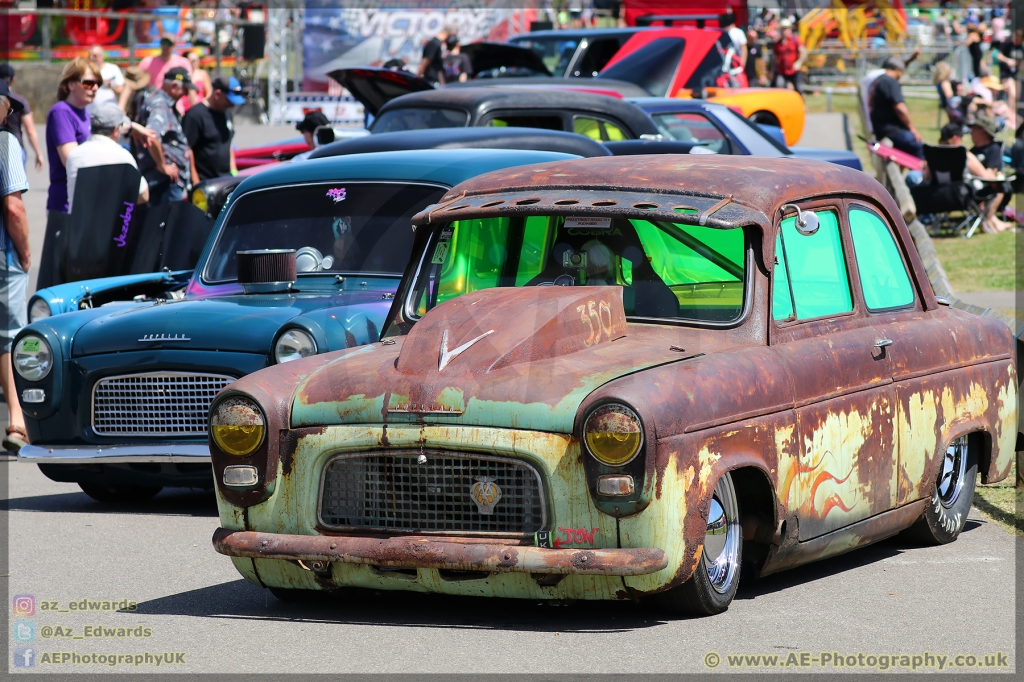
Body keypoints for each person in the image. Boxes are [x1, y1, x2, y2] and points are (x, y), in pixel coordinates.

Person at [0, 81, 30, 452]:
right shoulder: (6, 142)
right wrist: (24, 253)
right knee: (10, 337)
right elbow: (14, 207)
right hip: (2, 254)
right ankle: (17, 421)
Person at [66, 102, 149, 214]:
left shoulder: (74, 155)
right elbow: (143, 195)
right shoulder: (123, 156)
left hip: (76, 226)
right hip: (109, 227)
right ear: (115, 130)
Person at [45, 57, 97, 216]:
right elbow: (71, 159)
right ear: (71, 85)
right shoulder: (61, 112)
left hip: (84, 198)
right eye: (88, 83)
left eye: (98, 84)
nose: (94, 88)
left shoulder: (85, 113)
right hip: (66, 203)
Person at [135, 66, 194, 205]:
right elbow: (152, 136)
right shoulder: (160, 105)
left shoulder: (163, 103)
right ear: (174, 86)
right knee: (169, 223)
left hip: (167, 181)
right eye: (184, 89)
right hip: (164, 182)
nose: (185, 94)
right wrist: (162, 165)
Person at [182, 75, 244, 183]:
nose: (232, 105)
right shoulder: (195, 115)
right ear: (218, 94)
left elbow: (228, 142)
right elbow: (187, 149)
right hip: (205, 181)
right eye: (229, 101)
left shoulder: (227, 113)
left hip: (226, 178)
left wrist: (234, 171)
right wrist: (195, 180)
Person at [869, 56, 924, 159]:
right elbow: (900, 108)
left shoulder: (878, 80)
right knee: (920, 147)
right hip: (892, 131)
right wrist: (913, 129)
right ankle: (919, 175)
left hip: (880, 129)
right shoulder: (890, 82)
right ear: (898, 70)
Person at [967, 113, 1014, 233]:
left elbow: (992, 173)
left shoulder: (993, 149)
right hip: (969, 185)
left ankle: (988, 220)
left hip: (985, 186)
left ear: (983, 131)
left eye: (973, 129)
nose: (970, 132)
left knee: (1001, 187)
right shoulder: (972, 151)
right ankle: (994, 222)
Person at [0, 65, 42, 171]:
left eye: (9, 111)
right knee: (16, 184)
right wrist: (38, 153)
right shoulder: (20, 101)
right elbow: (30, 131)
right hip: (16, 148)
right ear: (14, 79)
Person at [771, 19, 806, 95]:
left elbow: (803, 53)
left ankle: (803, 106)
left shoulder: (795, 39)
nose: (784, 31)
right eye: (783, 29)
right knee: (779, 88)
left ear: (790, 29)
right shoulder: (777, 43)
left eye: (786, 28)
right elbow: (774, 58)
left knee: (799, 89)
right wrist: (772, 71)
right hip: (782, 71)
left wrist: (799, 63)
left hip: (794, 70)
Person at [87, 45, 124, 111]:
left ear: (102, 57)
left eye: (95, 56)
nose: (91, 58)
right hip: (89, 112)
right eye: (89, 56)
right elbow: (80, 86)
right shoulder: (85, 70)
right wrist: (99, 82)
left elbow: (121, 90)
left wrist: (111, 85)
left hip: (109, 112)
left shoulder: (112, 69)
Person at [181, 50, 213, 114]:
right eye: (193, 61)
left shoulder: (202, 74)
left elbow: (209, 92)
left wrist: (202, 104)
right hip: (184, 109)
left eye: (197, 60)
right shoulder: (181, 74)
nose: (196, 62)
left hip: (200, 109)